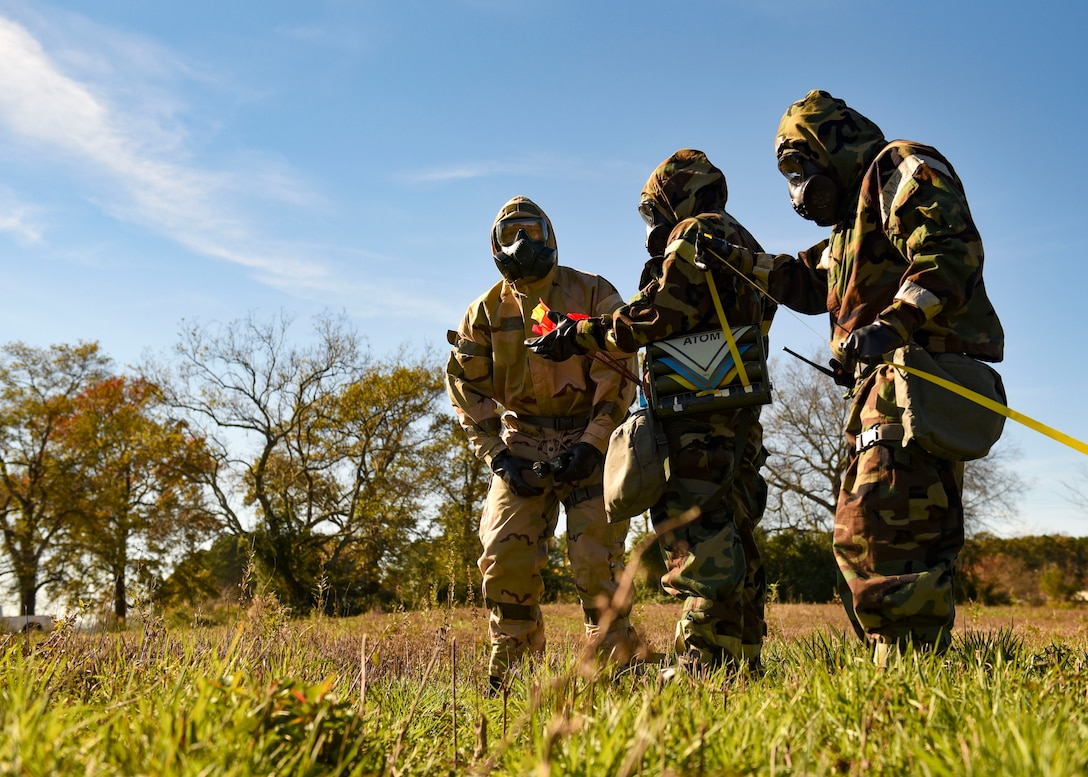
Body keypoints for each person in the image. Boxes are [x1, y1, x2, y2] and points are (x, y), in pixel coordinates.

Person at [694, 90, 1005, 662]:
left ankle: (910, 678)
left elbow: (949, 251)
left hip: (919, 376)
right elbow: (802, 283)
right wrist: (729, 255)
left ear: (828, 146)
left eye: (797, 168)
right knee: (862, 535)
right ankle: (900, 669)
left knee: (886, 529)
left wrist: (895, 322)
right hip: (882, 387)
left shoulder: (899, 166)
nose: (795, 190)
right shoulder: (847, 231)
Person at [527, 149, 776, 675]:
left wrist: (581, 331)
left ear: (674, 197)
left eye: (651, 211)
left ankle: (704, 660)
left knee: (697, 536)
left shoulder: (693, 234)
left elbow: (656, 315)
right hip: (739, 417)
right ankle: (741, 656)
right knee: (737, 532)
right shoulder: (741, 241)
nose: (651, 226)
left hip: (696, 420)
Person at [445, 195, 644, 691]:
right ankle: (511, 673)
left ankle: (617, 669)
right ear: (493, 246)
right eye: (508, 235)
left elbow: (621, 366)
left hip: (590, 438)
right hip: (522, 443)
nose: (520, 245)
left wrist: (595, 442)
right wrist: (497, 457)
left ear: (550, 236)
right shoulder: (483, 312)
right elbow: (465, 389)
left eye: (530, 232)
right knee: (501, 553)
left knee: (597, 559)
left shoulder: (592, 292)